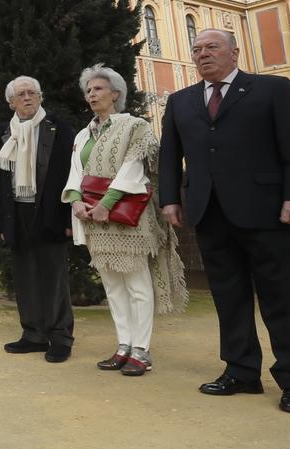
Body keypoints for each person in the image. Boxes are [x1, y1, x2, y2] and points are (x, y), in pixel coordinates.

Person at [159, 28, 290, 415]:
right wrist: (169, 200)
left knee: (284, 299)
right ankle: (241, 370)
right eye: (196, 49)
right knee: (229, 298)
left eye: (212, 47)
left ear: (235, 51)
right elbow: (169, 155)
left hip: (268, 212)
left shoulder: (273, 89)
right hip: (209, 212)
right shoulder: (180, 101)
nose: (202, 55)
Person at [62, 64, 187, 377]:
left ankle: (141, 350)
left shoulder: (135, 126)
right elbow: (76, 171)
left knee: (138, 285)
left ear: (115, 93)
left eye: (98, 89)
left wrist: (107, 202)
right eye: (88, 90)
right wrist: (75, 200)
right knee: (112, 285)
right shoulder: (82, 134)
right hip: (93, 218)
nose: (92, 94)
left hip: (126, 217)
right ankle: (123, 345)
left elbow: (133, 167)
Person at [0, 75, 75, 362]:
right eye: (21, 94)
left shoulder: (58, 128)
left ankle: (60, 336)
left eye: (32, 93)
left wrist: (67, 218)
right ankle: (33, 334)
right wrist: (1, 223)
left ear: (40, 97)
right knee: (25, 275)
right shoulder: (4, 133)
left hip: (49, 211)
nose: (27, 98)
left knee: (54, 277)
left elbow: (69, 174)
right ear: (10, 102)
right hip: (16, 213)